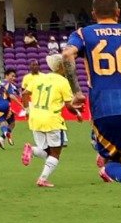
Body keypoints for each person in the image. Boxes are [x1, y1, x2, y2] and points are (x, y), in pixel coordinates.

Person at [61, 0, 121, 212]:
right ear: (118, 12)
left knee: (111, 160)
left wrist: (76, 92)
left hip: (105, 107)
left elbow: (66, 56)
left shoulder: (84, 34)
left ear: (93, 14)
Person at [20, 54, 81, 188]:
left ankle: (33, 151)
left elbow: (24, 94)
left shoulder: (39, 78)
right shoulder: (63, 82)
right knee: (55, 153)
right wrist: (77, 112)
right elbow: (68, 105)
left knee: (48, 152)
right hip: (52, 120)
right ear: (61, 66)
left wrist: (27, 110)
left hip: (35, 119)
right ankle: (42, 178)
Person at [0, 69, 23, 149]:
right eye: (12, 76)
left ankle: (2, 137)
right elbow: (11, 96)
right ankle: (5, 134)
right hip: (4, 105)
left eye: (14, 76)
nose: (13, 78)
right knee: (12, 123)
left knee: (2, 122)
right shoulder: (8, 84)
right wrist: (21, 105)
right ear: (6, 75)